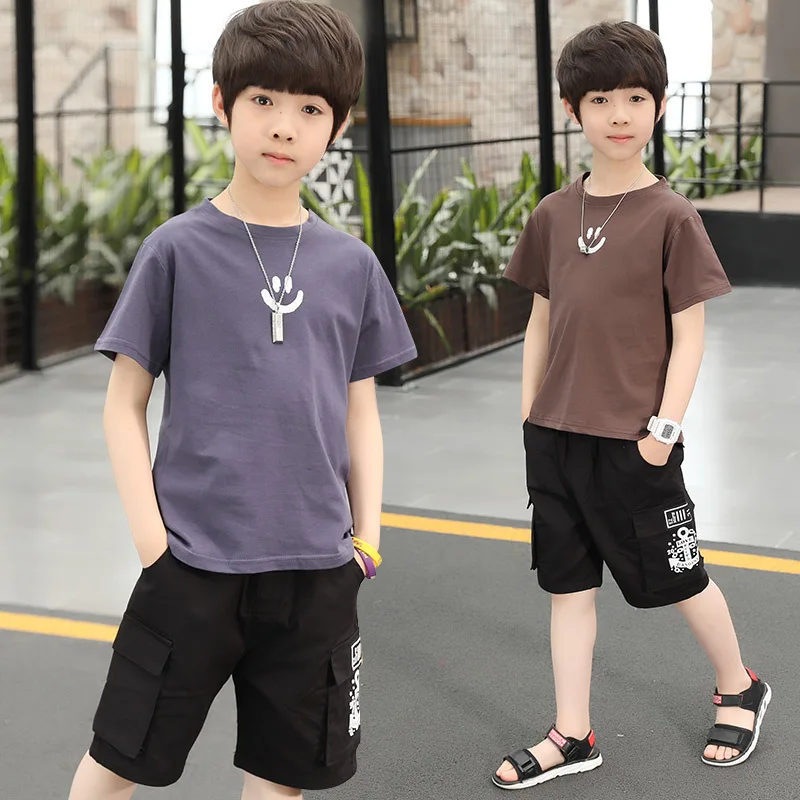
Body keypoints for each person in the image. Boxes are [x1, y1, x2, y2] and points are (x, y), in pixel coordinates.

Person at [68, 3, 416, 799]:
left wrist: (365, 538)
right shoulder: (175, 251)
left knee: (280, 780)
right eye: (263, 100)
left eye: (310, 108)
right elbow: (123, 404)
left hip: (317, 571)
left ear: (339, 126)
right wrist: (154, 548)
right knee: (119, 761)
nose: (284, 126)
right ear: (223, 104)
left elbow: (360, 410)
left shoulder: (351, 265)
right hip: (191, 566)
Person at [493, 21, 771, 790]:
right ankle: (573, 733)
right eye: (600, 99)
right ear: (572, 109)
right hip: (556, 438)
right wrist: (530, 416)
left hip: (637, 440)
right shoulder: (554, 214)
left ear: (660, 105)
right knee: (568, 588)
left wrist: (662, 434)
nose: (619, 114)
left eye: (635, 98)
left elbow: (691, 335)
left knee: (680, 575)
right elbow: (541, 320)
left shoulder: (672, 216)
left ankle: (739, 685)